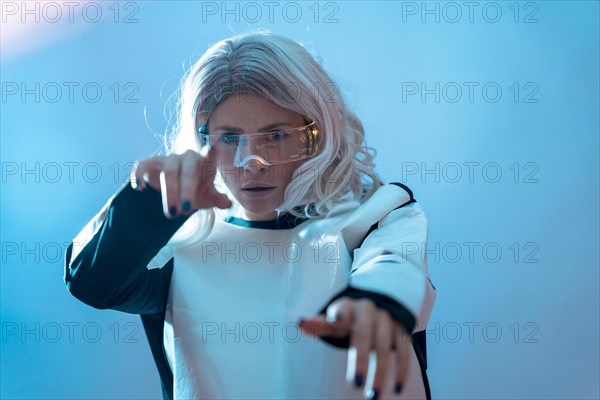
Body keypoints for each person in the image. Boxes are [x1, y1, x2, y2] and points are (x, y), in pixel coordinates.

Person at [63, 31, 437, 400]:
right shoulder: (180, 243)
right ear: (203, 138)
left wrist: (378, 306)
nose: (252, 163)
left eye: (276, 136)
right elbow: (94, 281)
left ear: (318, 134)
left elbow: (393, 265)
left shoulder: (377, 215)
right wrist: (148, 201)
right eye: (229, 138)